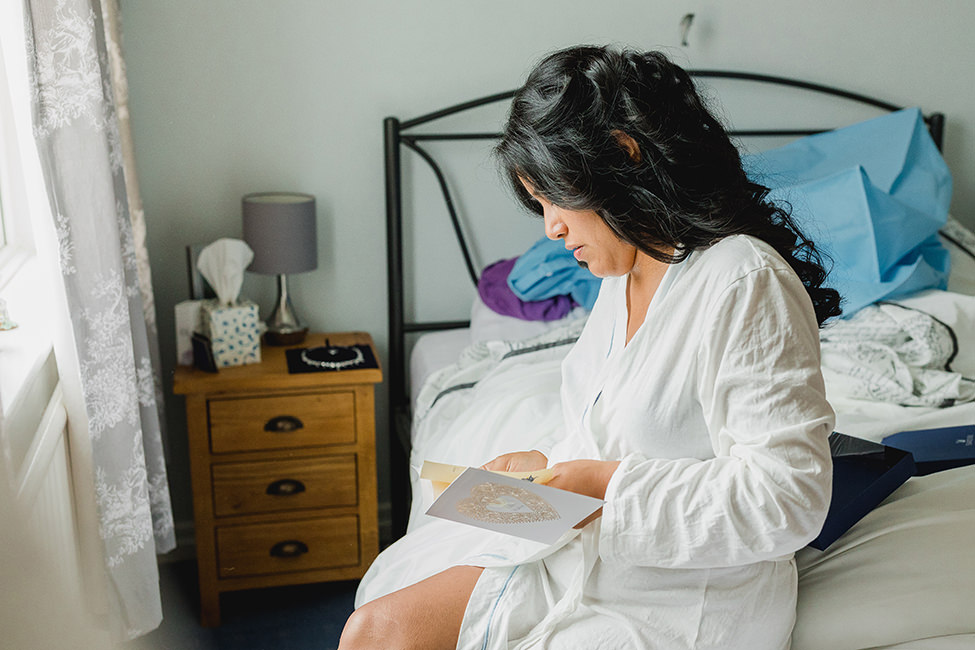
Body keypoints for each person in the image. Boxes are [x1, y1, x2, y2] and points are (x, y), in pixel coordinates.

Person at [339, 45, 840, 650]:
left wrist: (598, 485)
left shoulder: (742, 278)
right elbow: (613, 433)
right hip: (586, 553)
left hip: (684, 597)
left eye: (554, 199)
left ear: (622, 153)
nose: (550, 228)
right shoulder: (622, 277)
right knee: (374, 625)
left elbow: (788, 499)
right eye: (539, 205)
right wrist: (544, 472)